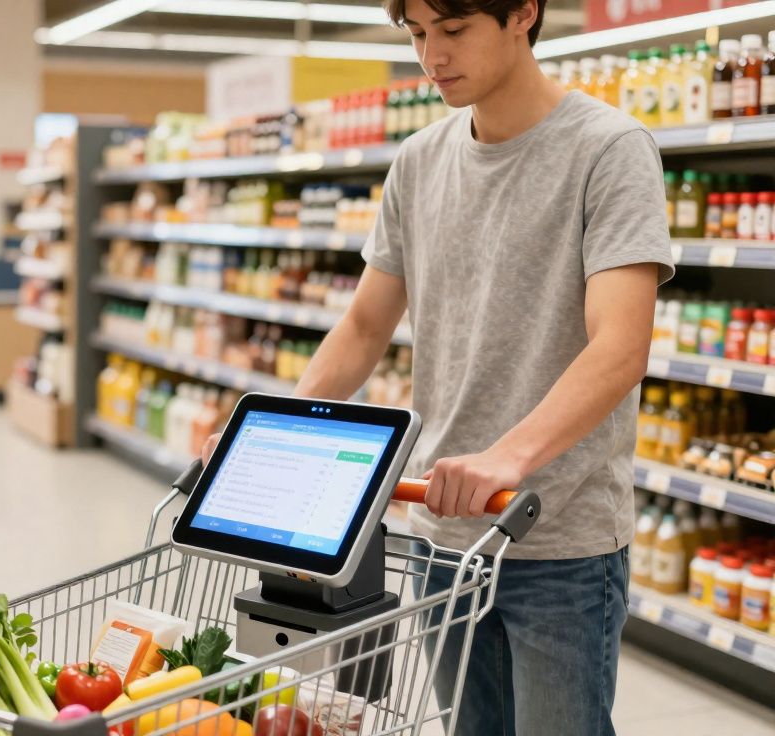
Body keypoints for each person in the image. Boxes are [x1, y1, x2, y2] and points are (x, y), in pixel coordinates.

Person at [200, 0, 672, 732]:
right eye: (418, 34)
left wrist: (506, 459)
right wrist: (268, 435)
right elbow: (362, 327)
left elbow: (620, 347)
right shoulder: (419, 161)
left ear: (524, 14)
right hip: (439, 535)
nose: (431, 56)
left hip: (558, 540)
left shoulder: (608, 149)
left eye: (452, 31)